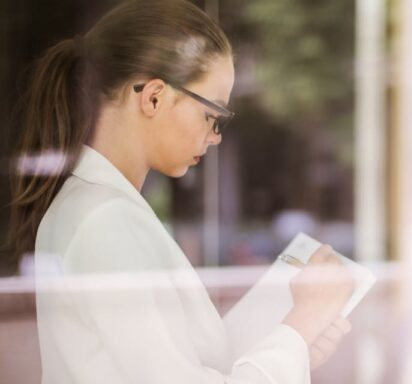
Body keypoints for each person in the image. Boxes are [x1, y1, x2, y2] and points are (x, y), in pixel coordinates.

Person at [6, 1, 355, 383]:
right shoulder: (105, 218)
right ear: (154, 97)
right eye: (212, 115)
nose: (215, 137)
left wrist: (291, 345)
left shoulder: (100, 206)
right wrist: (302, 324)